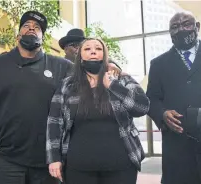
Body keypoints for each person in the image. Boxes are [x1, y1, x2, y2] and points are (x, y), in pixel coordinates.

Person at [0, 11, 73, 184]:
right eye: (26, 26)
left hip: (48, 162)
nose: (31, 29)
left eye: (37, 28)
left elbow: (89, 78)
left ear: (43, 36)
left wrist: (108, 66)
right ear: (18, 35)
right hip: (3, 159)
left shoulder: (62, 67)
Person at [46, 38, 149, 184]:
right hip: (78, 168)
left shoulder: (121, 79)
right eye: (87, 49)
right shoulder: (67, 85)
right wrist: (54, 158)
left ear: (105, 55)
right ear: (80, 57)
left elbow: (142, 107)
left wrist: (113, 86)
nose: (93, 51)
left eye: (98, 49)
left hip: (121, 166)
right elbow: (54, 122)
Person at [146, 12, 201, 184]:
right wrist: (161, 114)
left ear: (197, 27)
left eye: (186, 24)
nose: (180, 30)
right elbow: (151, 99)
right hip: (177, 145)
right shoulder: (158, 64)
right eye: (175, 27)